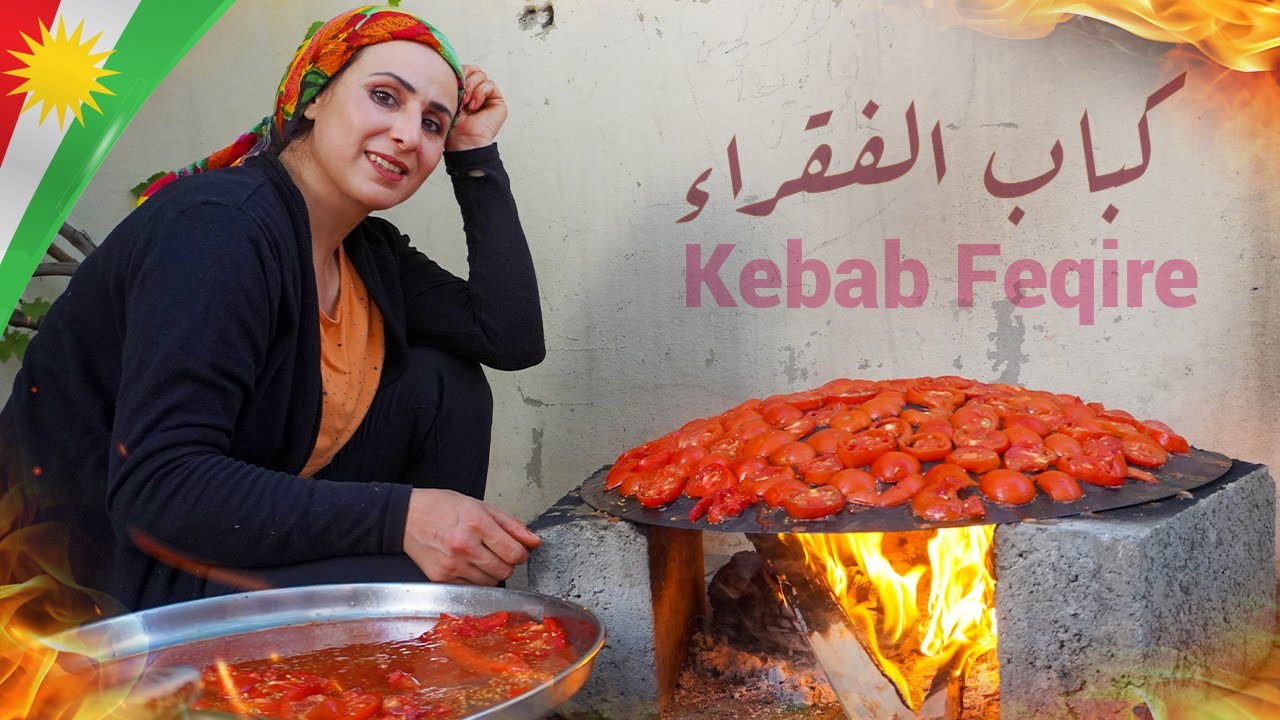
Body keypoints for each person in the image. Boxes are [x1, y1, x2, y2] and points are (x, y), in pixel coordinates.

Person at [0, 5, 545, 610]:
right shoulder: (220, 229)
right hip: (102, 569)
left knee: (444, 383)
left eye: (434, 124)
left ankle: (430, 601)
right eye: (386, 97)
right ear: (314, 96)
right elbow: (159, 489)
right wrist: (403, 517)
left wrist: (474, 155)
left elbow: (509, 336)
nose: (409, 134)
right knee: (420, 597)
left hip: (222, 529)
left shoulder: (363, 250)